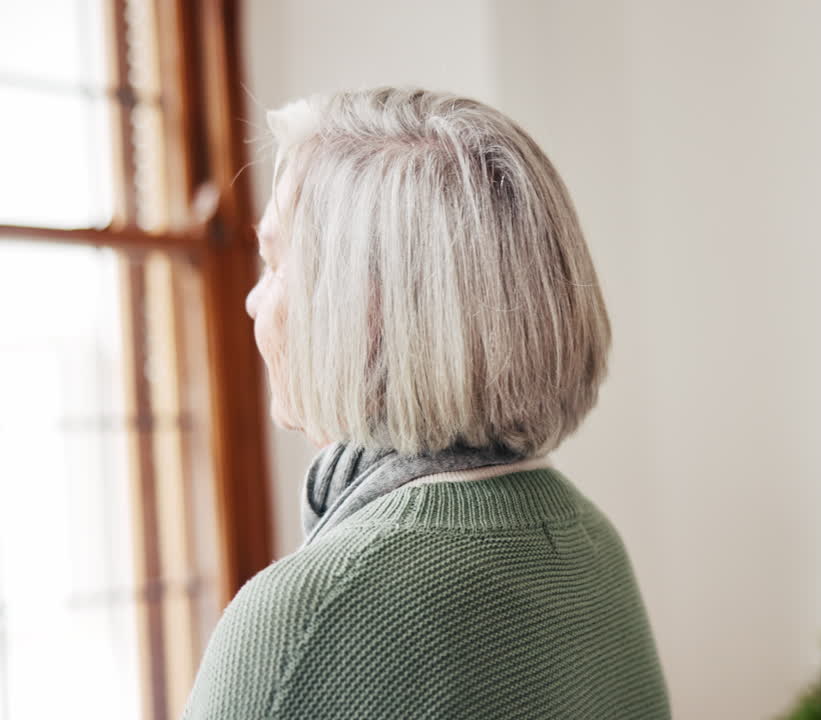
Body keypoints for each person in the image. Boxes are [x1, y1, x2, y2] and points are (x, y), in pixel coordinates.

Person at [181, 87, 671, 719]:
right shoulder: (589, 545)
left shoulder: (302, 621)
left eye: (275, 263)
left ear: (366, 311)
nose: (253, 300)